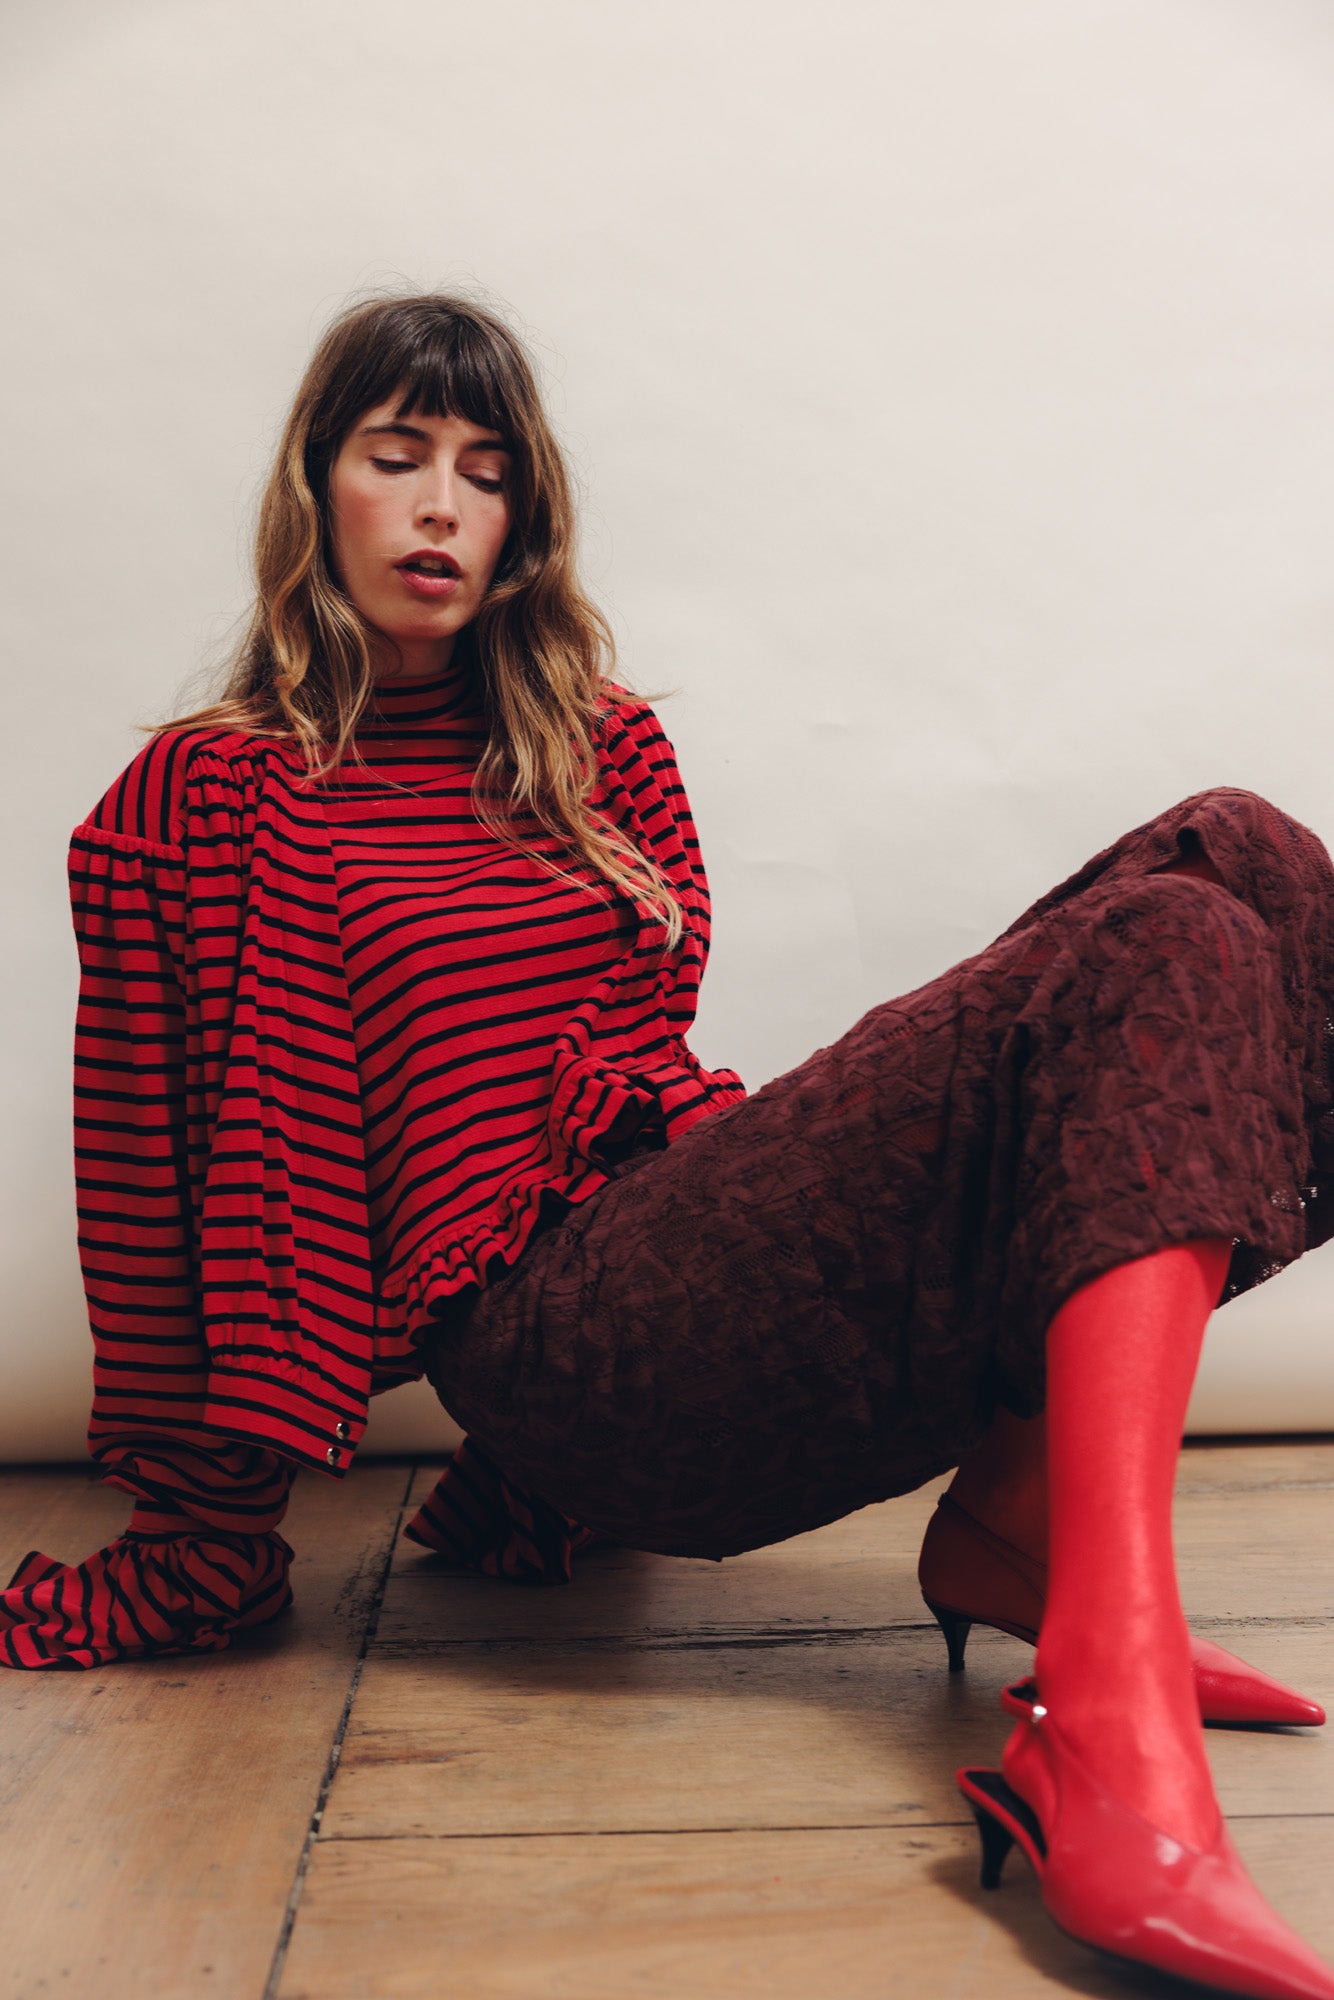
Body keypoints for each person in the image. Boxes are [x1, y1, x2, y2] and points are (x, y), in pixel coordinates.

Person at [4, 290, 1332, 1997]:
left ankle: (1026, 1528)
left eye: (485, 473)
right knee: (1163, 937)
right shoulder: (208, 798)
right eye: (395, 456)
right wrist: (203, 1532)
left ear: (523, 518)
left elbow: (641, 1074)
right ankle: (1111, 1700)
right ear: (312, 485)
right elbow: (150, 1177)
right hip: (561, 1360)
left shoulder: (596, 751)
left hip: (672, 1258)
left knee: (1238, 851)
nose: (438, 507)